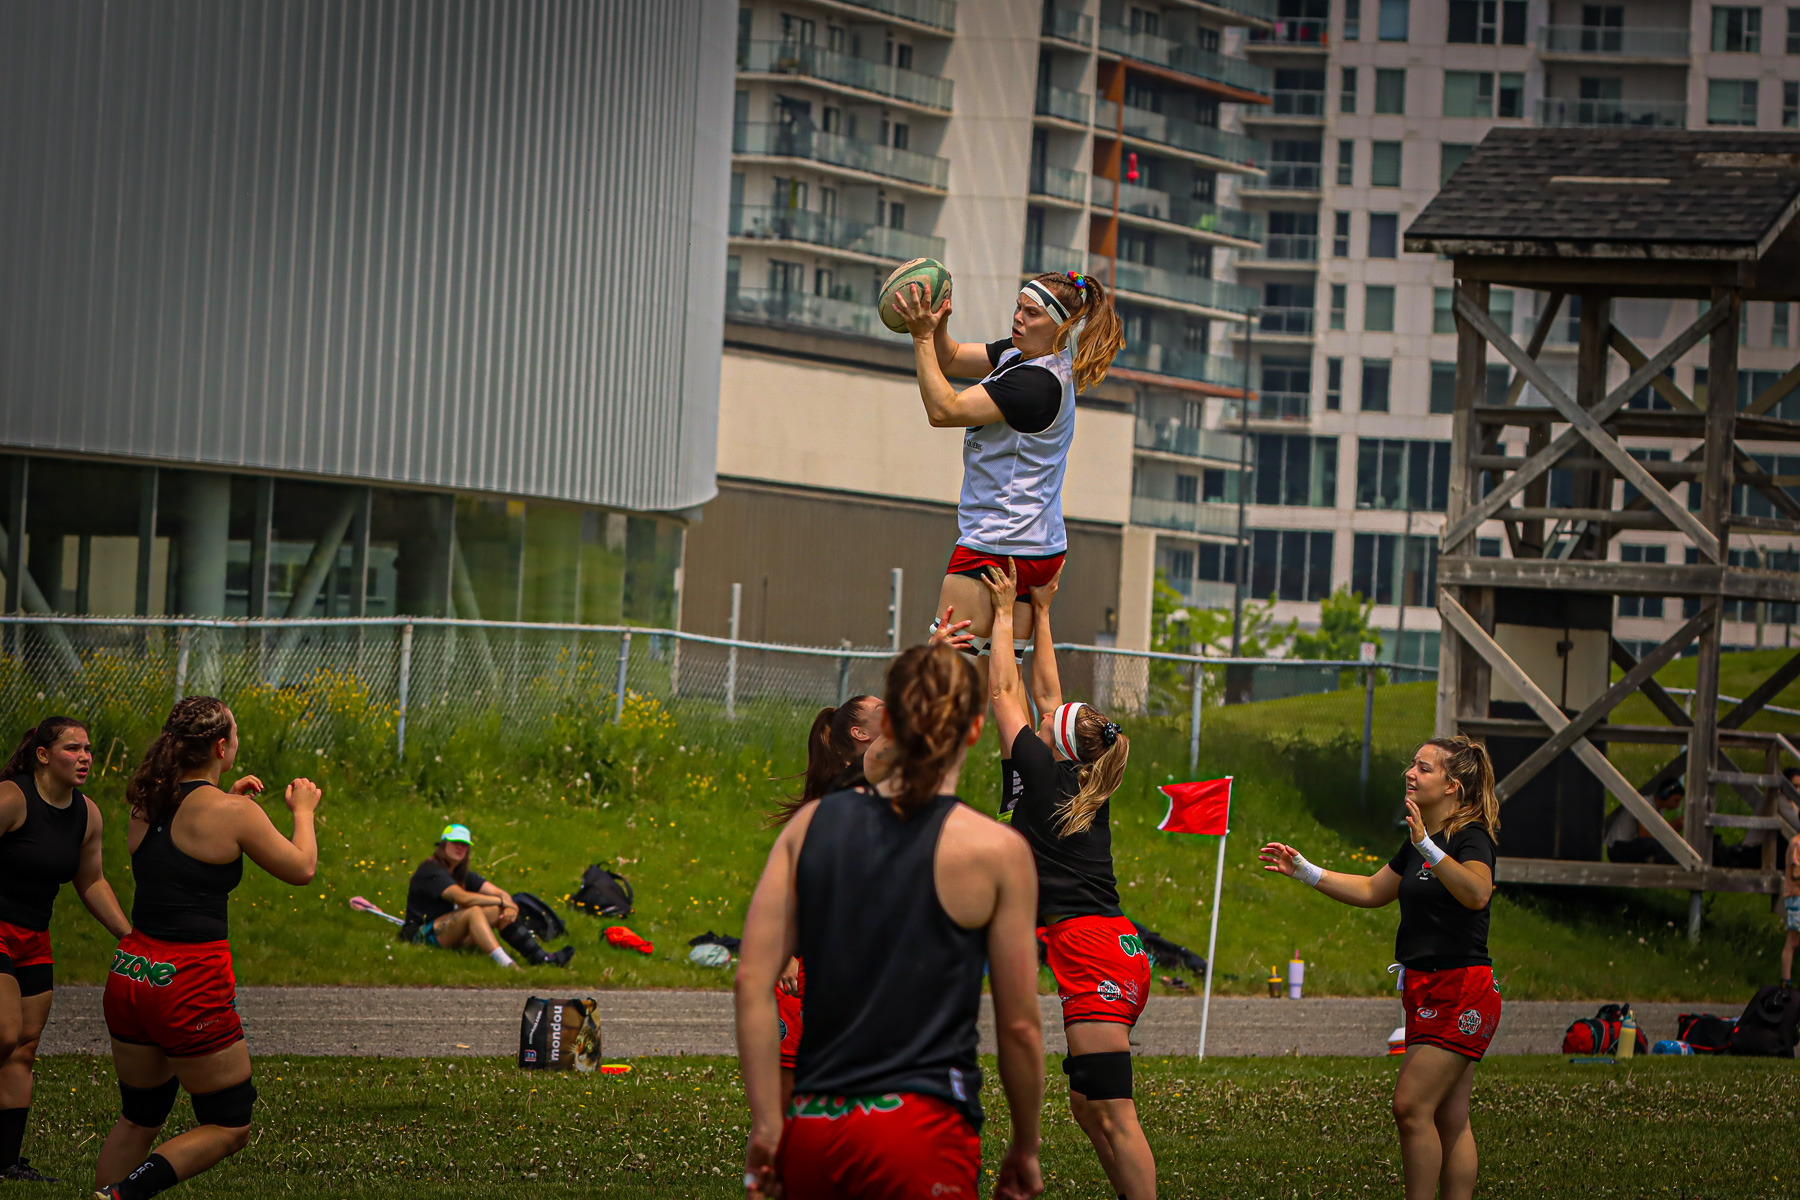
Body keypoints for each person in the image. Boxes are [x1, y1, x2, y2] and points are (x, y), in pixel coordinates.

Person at [735, 642, 1045, 1200]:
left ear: (891, 728)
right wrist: (1025, 1143)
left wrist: (767, 1124)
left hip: (816, 1123)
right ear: (975, 731)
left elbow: (752, 982)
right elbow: (1020, 1026)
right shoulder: (997, 851)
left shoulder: (811, 824)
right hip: (922, 1127)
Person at [94, 696, 320, 1200]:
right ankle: (121, 1196)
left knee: (139, 1116)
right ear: (221, 746)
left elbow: (184, 845)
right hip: (188, 980)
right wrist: (303, 811)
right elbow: (302, 868)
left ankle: (109, 1193)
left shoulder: (147, 801)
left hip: (132, 972)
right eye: (234, 735)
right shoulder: (233, 813)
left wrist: (228, 799)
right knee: (229, 1123)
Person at [979, 559, 1155, 1197]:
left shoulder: (1043, 773)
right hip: (1112, 946)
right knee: (1087, 1106)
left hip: (1094, 950)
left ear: (1055, 743)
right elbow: (1049, 699)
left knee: (1114, 1112)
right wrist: (1044, 614)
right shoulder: (1081, 777)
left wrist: (1005, 616)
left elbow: (1006, 694)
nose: (1045, 714)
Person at [1260, 737, 1502, 1200]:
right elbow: (1373, 890)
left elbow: (1477, 893)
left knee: (1410, 1107)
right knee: (1449, 1116)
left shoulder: (1470, 837)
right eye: (1412, 764)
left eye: (1424, 768)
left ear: (1452, 786)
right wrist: (1305, 871)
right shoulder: (1419, 841)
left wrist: (1426, 846)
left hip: (1463, 990)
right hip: (1425, 989)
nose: (1410, 773)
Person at [893, 269, 1123, 670]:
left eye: (1032, 313)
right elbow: (950, 358)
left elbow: (943, 410)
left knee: (941, 674)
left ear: (1060, 326)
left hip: (998, 544)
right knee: (1002, 684)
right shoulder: (1020, 356)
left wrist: (921, 337)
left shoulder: (1035, 383)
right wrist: (938, 321)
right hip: (1037, 546)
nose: (1018, 317)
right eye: (1018, 307)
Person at [0, 719, 132, 1183]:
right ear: (42, 755)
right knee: (3, 1032)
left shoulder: (87, 814)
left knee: (23, 1048)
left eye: (88, 749)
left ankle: (6, 1163)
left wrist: (130, 937)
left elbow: (91, 881)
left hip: (34, 937)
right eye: (72, 748)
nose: (85, 757)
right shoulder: (12, 798)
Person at [401, 825, 573, 969]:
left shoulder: (462, 873)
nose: (460, 848)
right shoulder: (430, 869)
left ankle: (541, 958)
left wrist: (509, 905)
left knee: (498, 911)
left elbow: (499, 892)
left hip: (448, 930)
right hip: (421, 935)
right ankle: (507, 965)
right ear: (443, 844)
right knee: (474, 911)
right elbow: (463, 898)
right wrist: (502, 901)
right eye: (455, 843)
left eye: (464, 845)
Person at [1605, 780, 1684, 864]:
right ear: (1665, 794)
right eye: (1676, 800)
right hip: (1618, 848)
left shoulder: (1659, 810)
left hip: (1630, 846)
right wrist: (1672, 826)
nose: (1677, 806)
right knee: (1650, 844)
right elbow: (1644, 836)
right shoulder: (1645, 803)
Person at [1783, 818, 1800, 988]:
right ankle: (1785, 982)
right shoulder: (1797, 844)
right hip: (1797, 896)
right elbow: (1796, 872)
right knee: (1793, 940)